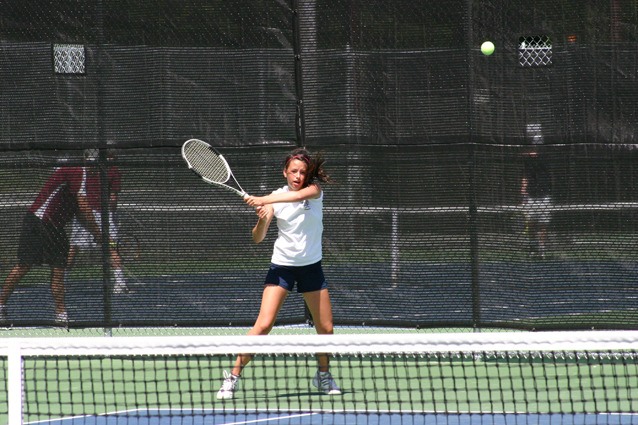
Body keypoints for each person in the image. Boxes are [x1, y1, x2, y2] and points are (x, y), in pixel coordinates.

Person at [216, 148, 341, 400]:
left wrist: (262, 199)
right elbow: (258, 238)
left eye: (302, 172)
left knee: (326, 329)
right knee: (263, 325)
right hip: (282, 267)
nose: (297, 176)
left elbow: (295, 198)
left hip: (311, 268)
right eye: (293, 171)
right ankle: (232, 377)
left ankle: (323, 375)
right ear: (285, 172)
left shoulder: (314, 192)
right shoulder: (275, 198)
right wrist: (263, 217)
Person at [0, 161, 102, 325]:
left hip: (56, 227)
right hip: (38, 222)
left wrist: (98, 234)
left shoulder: (89, 182)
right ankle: (0, 305)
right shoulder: (77, 170)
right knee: (24, 266)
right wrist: (98, 232)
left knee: (59, 269)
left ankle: (61, 316)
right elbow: (83, 206)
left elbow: (80, 214)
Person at [67, 149, 127, 294]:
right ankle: (120, 283)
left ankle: (62, 280)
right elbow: (113, 198)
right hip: (96, 213)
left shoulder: (84, 170)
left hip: (86, 212)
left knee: (74, 248)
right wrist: (111, 208)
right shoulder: (110, 170)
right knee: (109, 247)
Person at [521, 148, 552, 259]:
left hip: (544, 197)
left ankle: (541, 249)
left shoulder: (545, 160)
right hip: (531, 197)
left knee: (543, 225)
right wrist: (523, 195)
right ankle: (532, 247)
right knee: (531, 224)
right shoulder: (527, 162)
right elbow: (524, 177)